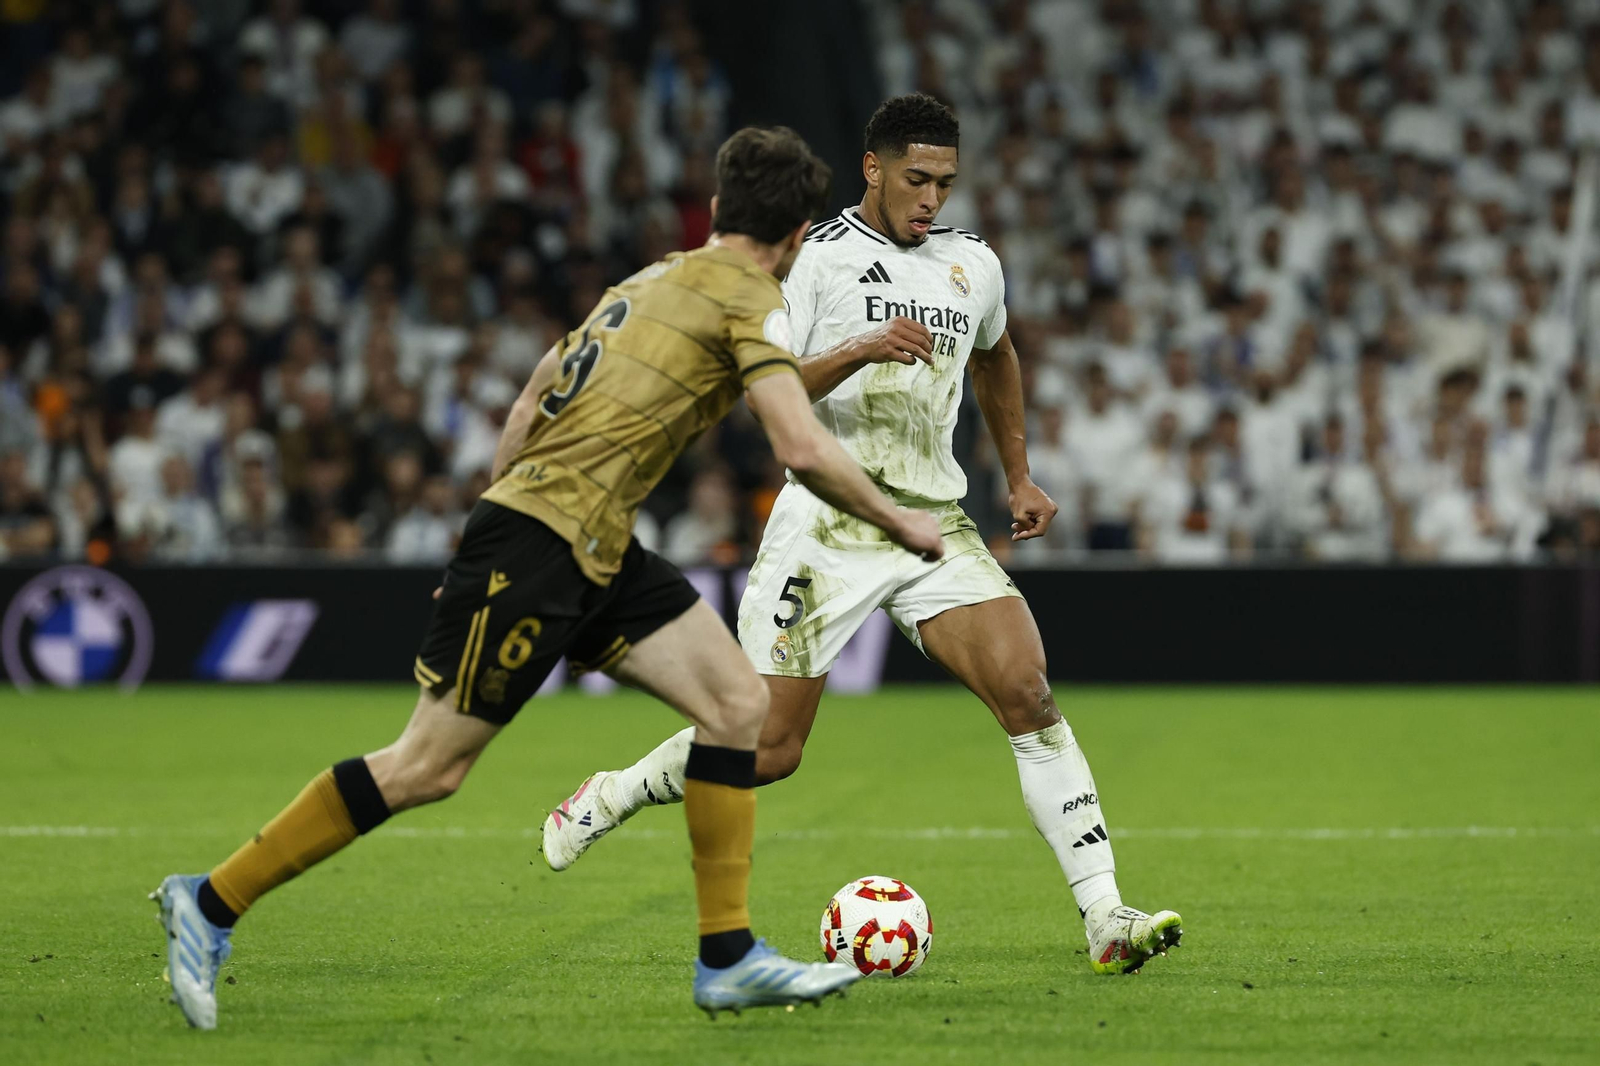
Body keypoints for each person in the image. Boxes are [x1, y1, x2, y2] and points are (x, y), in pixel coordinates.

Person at [151, 126, 945, 1029]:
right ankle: (208, 901)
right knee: (426, 767)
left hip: (585, 538)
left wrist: (484, 527)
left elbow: (532, 399)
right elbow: (798, 442)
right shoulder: (752, 299)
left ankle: (727, 955)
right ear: (799, 234)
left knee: (736, 705)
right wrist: (901, 521)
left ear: (718, 208)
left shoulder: (649, 281)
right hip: (539, 545)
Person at [541, 94, 1182, 976]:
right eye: (917, 179)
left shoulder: (974, 265)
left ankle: (1106, 917)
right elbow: (758, 387)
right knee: (770, 751)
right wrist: (858, 350)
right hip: (827, 520)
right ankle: (611, 794)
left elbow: (996, 355)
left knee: (1028, 692)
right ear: (874, 169)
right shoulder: (816, 263)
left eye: (947, 183)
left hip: (930, 518)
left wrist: (1020, 471)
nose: (933, 199)